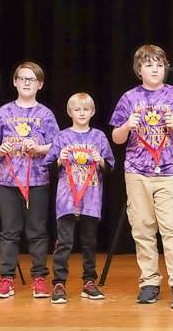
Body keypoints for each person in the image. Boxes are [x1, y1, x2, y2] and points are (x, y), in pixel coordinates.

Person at [110, 44, 173, 309]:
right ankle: (149, 282)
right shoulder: (129, 98)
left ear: (165, 67)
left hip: (169, 171)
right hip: (137, 172)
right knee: (143, 228)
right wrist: (127, 126)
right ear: (139, 70)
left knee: (172, 228)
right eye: (149, 64)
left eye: (159, 64)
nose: (155, 69)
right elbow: (116, 137)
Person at [0, 61, 60, 298]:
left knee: (37, 231)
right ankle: (6, 278)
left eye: (32, 79)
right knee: (9, 231)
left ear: (40, 84)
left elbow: (56, 145)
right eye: (22, 78)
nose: (27, 82)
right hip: (7, 181)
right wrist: (0, 148)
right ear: (15, 82)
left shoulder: (45, 114)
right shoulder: (4, 111)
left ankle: (39, 278)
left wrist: (39, 148)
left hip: (37, 180)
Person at [45, 93, 115, 304]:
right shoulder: (62, 137)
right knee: (63, 242)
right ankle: (59, 283)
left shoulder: (99, 137)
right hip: (66, 199)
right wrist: (59, 159)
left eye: (86, 109)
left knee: (89, 242)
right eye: (77, 109)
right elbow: (48, 167)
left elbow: (111, 167)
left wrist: (100, 160)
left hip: (91, 198)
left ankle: (89, 281)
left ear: (92, 112)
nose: (82, 113)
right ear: (69, 112)